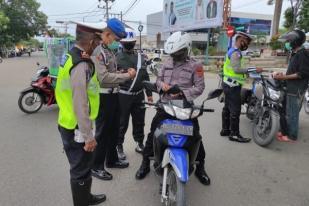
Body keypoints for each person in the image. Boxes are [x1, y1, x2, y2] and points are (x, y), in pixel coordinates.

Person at [135, 31, 211, 186]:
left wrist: (182, 93)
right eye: (173, 53)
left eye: (178, 52)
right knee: (154, 133)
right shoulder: (167, 62)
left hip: (184, 107)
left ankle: (200, 166)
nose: (175, 56)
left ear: (186, 49)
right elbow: (158, 80)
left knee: (195, 135)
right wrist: (163, 86)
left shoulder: (195, 65)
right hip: (165, 106)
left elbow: (199, 87)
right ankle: (145, 162)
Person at [55, 21, 106, 206]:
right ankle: (82, 202)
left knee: (83, 166)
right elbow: (80, 103)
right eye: (98, 42)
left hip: (69, 121)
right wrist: (88, 136)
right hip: (76, 126)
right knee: (80, 170)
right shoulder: (81, 64)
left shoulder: (70, 56)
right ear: (92, 41)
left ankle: (86, 197)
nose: (99, 46)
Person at [91, 18, 136, 181]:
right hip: (103, 96)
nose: (117, 43)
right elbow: (103, 77)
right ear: (107, 34)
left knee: (114, 130)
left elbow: (112, 71)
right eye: (116, 39)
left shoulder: (108, 50)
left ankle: (111, 160)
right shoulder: (98, 52)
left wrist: (123, 71)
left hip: (114, 95)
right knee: (102, 133)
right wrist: (127, 76)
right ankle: (96, 167)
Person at [116, 29, 153, 160]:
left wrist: (149, 93)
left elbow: (145, 76)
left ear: (135, 42)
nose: (129, 44)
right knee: (122, 123)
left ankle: (139, 143)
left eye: (131, 42)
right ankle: (118, 145)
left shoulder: (141, 57)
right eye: (127, 42)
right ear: (121, 42)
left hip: (139, 95)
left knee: (139, 121)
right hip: (123, 95)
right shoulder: (116, 58)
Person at [220, 32, 262, 143]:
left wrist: (247, 72)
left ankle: (225, 130)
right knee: (235, 110)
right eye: (246, 41)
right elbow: (236, 70)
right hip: (232, 85)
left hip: (228, 83)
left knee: (227, 107)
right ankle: (234, 134)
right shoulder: (235, 53)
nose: (247, 44)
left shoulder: (233, 51)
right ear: (240, 40)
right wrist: (253, 69)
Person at [273, 29, 309, 142]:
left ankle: (292, 136)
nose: (287, 43)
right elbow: (293, 71)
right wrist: (283, 74)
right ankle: (286, 132)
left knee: (293, 113)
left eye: (288, 40)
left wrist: (283, 77)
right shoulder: (296, 54)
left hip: (296, 88)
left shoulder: (302, 54)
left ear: (295, 41)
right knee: (288, 112)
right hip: (291, 87)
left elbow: (302, 73)